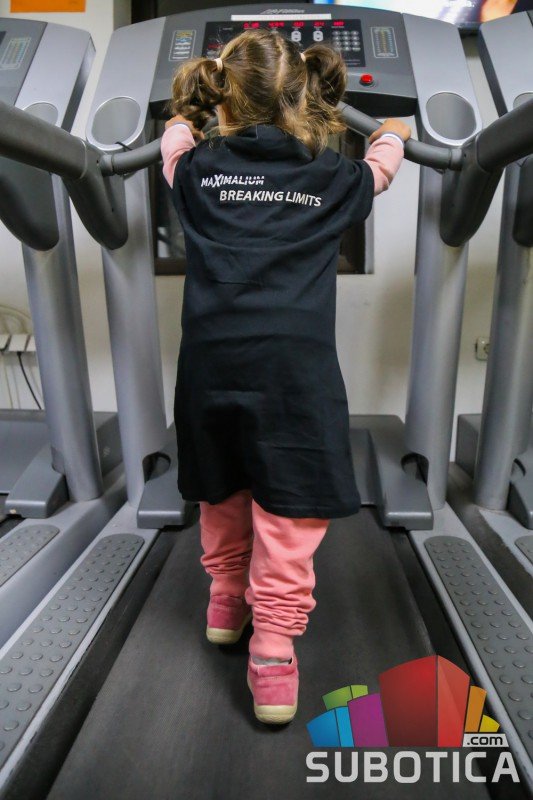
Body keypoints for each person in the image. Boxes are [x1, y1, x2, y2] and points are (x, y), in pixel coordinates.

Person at [161, 28, 410, 725]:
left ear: (221, 98)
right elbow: (381, 166)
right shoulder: (329, 174)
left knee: (221, 487)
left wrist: (181, 116)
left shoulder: (197, 169)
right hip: (293, 372)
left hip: (210, 367)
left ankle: (224, 606)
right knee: (289, 510)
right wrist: (391, 130)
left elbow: (173, 144)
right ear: (300, 96)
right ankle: (271, 654)